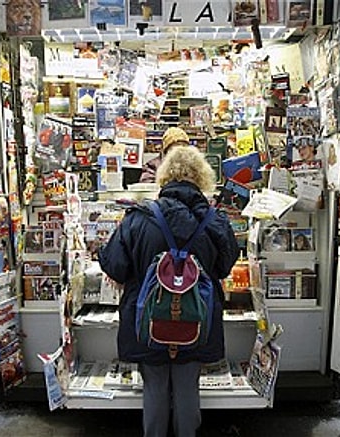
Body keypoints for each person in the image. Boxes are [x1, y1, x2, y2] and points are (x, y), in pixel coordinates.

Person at [100, 146, 239, 437]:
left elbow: (115, 265)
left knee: (154, 387)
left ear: (164, 177)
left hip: (149, 319)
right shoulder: (216, 221)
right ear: (202, 178)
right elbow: (226, 267)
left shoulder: (137, 218)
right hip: (197, 320)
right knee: (188, 387)